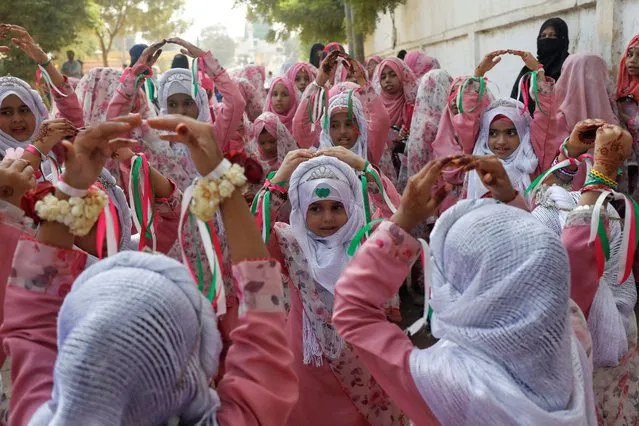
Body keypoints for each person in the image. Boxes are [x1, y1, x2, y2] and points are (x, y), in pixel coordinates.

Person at [0, 115, 298, 425]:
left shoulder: (38, 416)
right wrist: (222, 178)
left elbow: (32, 323)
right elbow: (265, 316)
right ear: (199, 356)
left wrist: (71, 189)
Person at [330, 136, 636, 423]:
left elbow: (352, 311)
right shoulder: (569, 338)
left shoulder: (445, 384)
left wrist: (403, 221)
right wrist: (512, 203)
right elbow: (539, 263)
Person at [258, 153, 407, 426]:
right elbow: (253, 240)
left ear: (351, 205)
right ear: (301, 209)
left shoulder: (366, 237)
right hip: (309, 362)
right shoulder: (290, 242)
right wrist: (278, 183)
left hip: (365, 355)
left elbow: (400, 223)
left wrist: (364, 168)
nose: (327, 218)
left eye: (336, 207)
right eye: (315, 208)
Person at [511, 18, 570, 114]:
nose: (547, 39)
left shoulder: (568, 66)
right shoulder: (529, 67)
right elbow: (514, 100)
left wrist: (539, 71)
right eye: (543, 36)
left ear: (562, 38)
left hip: (555, 124)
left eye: (553, 35)